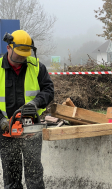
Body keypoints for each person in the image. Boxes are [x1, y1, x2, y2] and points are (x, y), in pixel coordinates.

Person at [0, 30, 54, 189]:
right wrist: (1, 120)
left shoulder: (37, 66)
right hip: (6, 130)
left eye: (24, 55)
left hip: (31, 128)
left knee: (34, 175)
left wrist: (36, 103)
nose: (22, 59)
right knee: (11, 178)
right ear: (9, 47)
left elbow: (49, 90)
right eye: (18, 56)